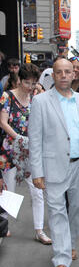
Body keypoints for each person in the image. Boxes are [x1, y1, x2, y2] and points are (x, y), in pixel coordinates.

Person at [28, 58, 79, 267]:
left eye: (68, 72)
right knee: (57, 213)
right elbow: (34, 139)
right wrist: (37, 172)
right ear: (53, 76)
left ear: (74, 75)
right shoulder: (40, 102)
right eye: (59, 72)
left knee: (77, 211)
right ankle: (61, 260)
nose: (64, 75)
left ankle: (71, 244)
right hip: (53, 166)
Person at [0, 63, 51, 244]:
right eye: (26, 82)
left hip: (31, 151)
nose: (29, 87)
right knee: (8, 192)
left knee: (37, 190)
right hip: (9, 151)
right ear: (19, 80)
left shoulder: (36, 99)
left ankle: (39, 230)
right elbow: (3, 122)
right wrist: (19, 138)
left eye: (33, 83)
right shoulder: (7, 96)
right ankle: (3, 227)